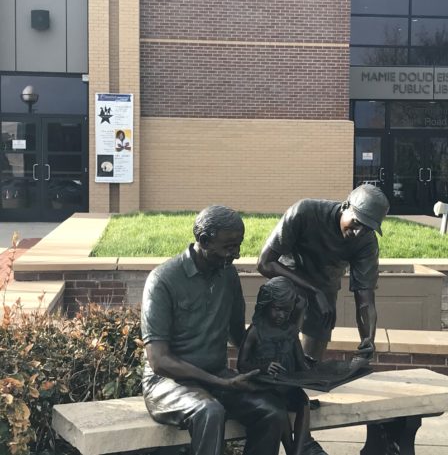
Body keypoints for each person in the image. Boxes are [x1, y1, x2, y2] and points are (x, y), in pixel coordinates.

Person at [141, 205, 289, 455]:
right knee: (209, 411)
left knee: (271, 411)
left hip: (217, 377)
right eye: (229, 247)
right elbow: (159, 360)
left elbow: (238, 336)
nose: (237, 254)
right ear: (203, 240)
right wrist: (221, 381)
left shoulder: (228, 276)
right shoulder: (163, 280)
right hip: (167, 383)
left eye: (238, 245)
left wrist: (269, 363)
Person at [258, 184, 390, 362]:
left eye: (367, 228)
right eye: (357, 222)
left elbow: (365, 298)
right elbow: (265, 263)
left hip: (325, 291)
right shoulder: (305, 212)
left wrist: (368, 340)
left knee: (311, 360)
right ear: (345, 206)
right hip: (288, 282)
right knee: (279, 352)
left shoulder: (366, 243)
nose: (359, 233)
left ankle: (306, 379)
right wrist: (314, 290)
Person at [238, 276, 310, 455]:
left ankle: (298, 451)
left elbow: (301, 362)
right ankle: (291, 450)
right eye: (277, 309)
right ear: (266, 304)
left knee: (304, 403)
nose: (282, 316)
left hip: (288, 384)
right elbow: (242, 364)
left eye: (287, 311)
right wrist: (263, 367)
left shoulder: (290, 330)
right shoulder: (256, 331)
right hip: (266, 386)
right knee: (278, 406)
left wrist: (317, 374)